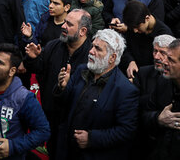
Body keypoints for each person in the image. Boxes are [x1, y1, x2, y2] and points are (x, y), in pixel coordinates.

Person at [53, 29, 138, 160]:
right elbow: (64, 104)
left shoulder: (125, 90)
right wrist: (62, 87)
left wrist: (92, 139)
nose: (91, 51)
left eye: (98, 49)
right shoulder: (82, 70)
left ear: (112, 58)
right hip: (67, 150)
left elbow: (125, 131)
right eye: (92, 46)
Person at [23, 8, 92, 156]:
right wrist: (33, 58)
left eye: (69, 24)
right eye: (65, 22)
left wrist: (66, 87)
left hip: (74, 124)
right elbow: (39, 70)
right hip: (50, 118)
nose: (63, 26)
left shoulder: (91, 55)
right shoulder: (53, 46)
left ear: (82, 31)